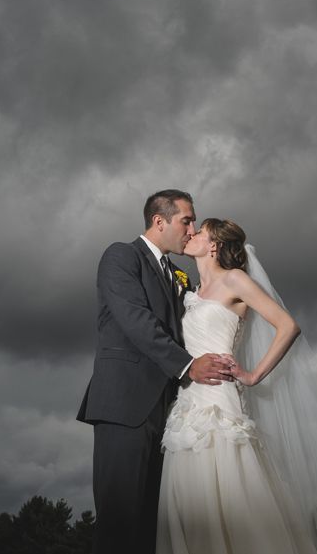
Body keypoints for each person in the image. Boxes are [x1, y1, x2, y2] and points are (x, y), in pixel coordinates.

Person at [77, 190, 235, 554]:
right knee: (120, 521)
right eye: (186, 220)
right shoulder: (121, 256)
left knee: (154, 526)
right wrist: (188, 365)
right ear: (159, 221)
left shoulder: (178, 274)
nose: (192, 229)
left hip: (170, 413)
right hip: (125, 406)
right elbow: (136, 319)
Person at [156, 218, 317, 554]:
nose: (191, 235)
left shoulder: (235, 279)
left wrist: (253, 375)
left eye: (199, 232)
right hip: (187, 406)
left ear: (214, 245)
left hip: (220, 403)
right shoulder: (192, 293)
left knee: (234, 501)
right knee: (193, 506)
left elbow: (287, 325)